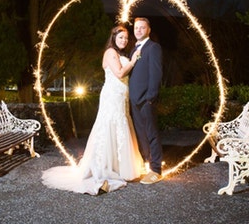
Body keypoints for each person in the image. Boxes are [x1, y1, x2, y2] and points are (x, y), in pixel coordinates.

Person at [41, 25, 144, 195]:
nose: (124, 40)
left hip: (121, 96)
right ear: (113, 38)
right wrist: (133, 61)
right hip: (112, 96)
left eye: (126, 38)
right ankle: (106, 167)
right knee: (110, 126)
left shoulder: (120, 54)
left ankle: (120, 166)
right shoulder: (110, 52)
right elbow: (119, 73)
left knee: (120, 125)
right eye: (120, 37)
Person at [129, 17, 163, 184]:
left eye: (142, 28)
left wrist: (151, 97)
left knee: (151, 134)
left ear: (148, 30)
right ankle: (147, 164)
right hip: (134, 100)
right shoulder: (134, 49)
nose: (139, 30)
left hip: (146, 100)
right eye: (136, 28)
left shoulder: (153, 48)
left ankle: (156, 169)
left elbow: (156, 74)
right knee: (141, 135)